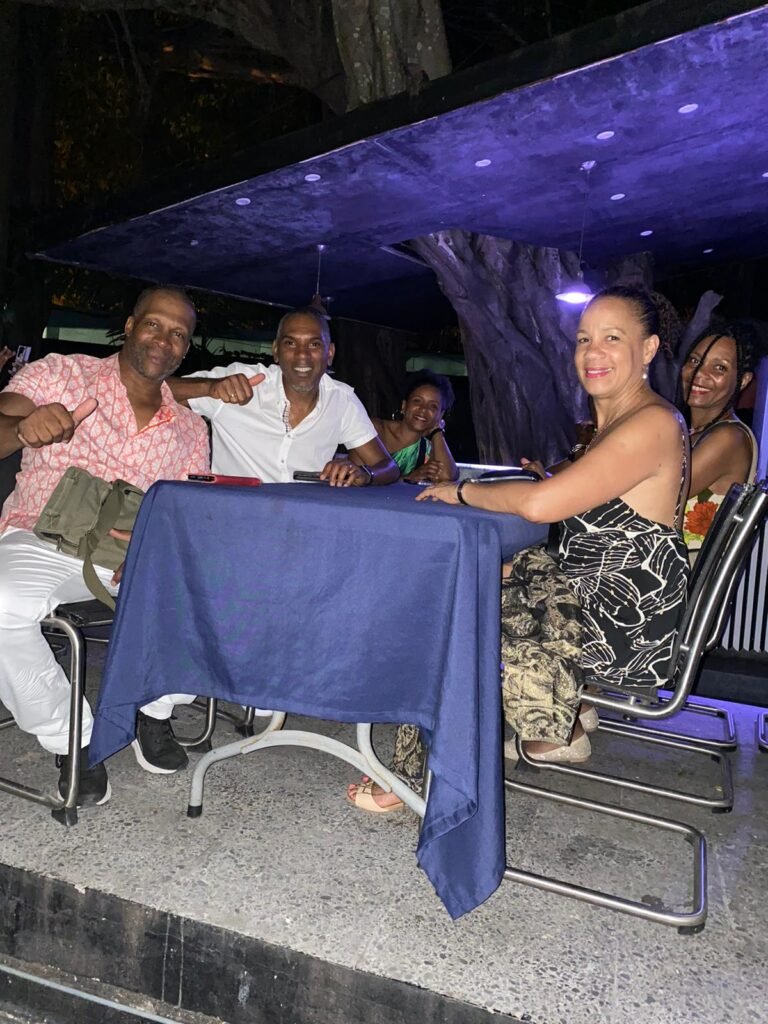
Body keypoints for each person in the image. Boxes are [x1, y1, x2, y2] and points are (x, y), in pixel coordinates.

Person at [348, 286, 690, 808]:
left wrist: (461, 491)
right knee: (461, 587)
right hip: (593, 598)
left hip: (619, 625)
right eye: (583, 339)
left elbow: (541, 504)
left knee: (448, 615)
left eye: (612, 338)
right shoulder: (622, 422)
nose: (591, 352)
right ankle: (464, 752)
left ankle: (422, 777)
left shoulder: (654, 422)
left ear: (647, 350)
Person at [0, 287, 211, 806]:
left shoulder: (190, 427)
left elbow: (192, 513)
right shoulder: (63, 374)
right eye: (155, 325)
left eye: (179, 334)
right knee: (1, 602)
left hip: (138, 554)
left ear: (186, 350)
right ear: (131, 323)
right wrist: (23, 430)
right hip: (46, 538)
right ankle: (70, 734)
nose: (165, 339)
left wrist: (156, 535)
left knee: (226, 596)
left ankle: (154, 709)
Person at [168, 307, 399, 487]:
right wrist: (210, 387)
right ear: (276, 350)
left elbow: (388, 466)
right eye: (291, 343)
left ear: (329, 354)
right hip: (231, 519)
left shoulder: (341, 400)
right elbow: (156, 388)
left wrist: (363, 474)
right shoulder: (242, 380)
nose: (302, 355)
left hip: (301, 523)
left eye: (314, 344)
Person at [678, 320, 762, 562]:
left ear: (743, 381)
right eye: (694, 361)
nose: (700, 374)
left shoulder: (729, 438)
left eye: (720, 368)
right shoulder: (691, 431)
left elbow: (659, 491)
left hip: (676, 583)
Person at [372, 370, 459, 483]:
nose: (423, 409)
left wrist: (438, 431)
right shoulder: (376, 430)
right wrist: (407, 479)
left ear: (441, 414)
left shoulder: (429, 448)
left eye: (433, 406)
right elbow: (359, 476)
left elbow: (447, 476)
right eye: (417, 401)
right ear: (404, 406)